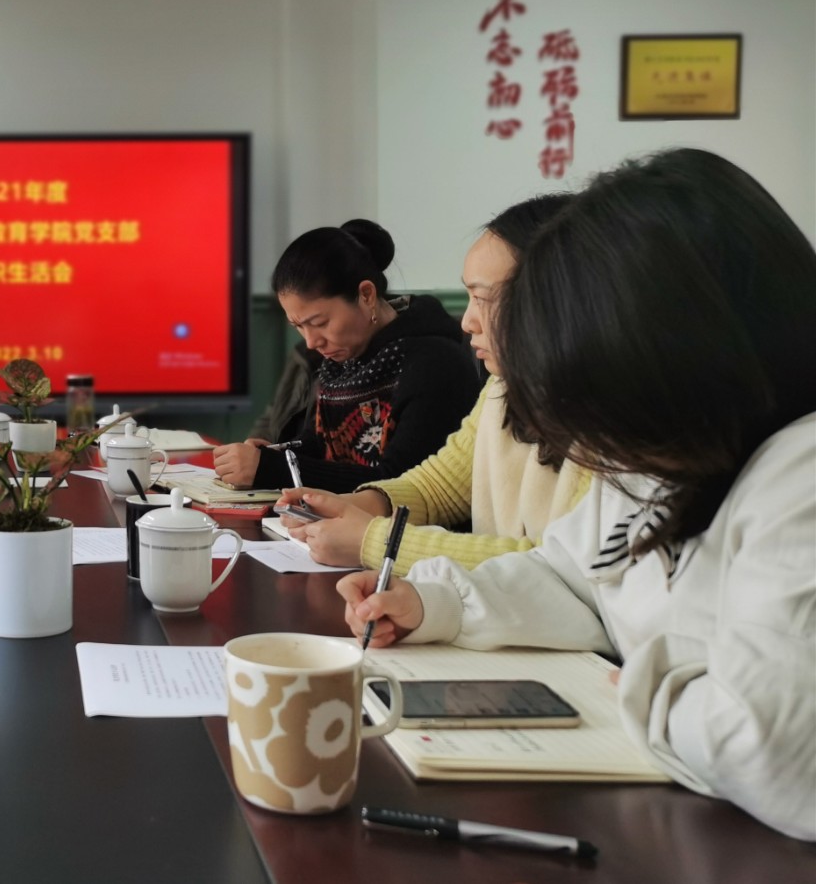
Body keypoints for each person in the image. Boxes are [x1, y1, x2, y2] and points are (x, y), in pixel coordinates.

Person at [338, 149, 816, 841]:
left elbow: (778, 754)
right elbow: (573, 577)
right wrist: (435, 604)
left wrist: (643, 683)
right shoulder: (662, 458)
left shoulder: (797, 473)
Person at [275, 195, 592, 572]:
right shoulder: (503, 388)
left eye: (483, 299)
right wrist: (360, 505)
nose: (467, 322)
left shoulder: (615, 425)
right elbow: (439, 486)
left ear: (554, 301)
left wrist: (373, 540)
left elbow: (561, 567)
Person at [214, 219, 479, 492]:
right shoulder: (341, 360)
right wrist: (272, 454)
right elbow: (318, 446)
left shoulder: (436, 365)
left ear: (366, 295)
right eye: (298, 326)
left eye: (320, 322)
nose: (311, 342)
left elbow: (402, 485)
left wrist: (273, 469)